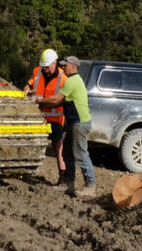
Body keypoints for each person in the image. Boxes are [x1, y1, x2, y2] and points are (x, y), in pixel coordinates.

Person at [34, 55, 96, 197]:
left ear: (73, 66)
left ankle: (90, 185)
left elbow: (56, 99)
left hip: (79, 123)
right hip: (74, 123)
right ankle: (69, 184)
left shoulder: (72, 81)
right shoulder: (72, 80)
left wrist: (38, 100)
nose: (62, 67)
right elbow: (57, 102)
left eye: (65, 65)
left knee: (81, 154)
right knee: (67, 153)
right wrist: (41, 102)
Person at [23, 48, 67, 185]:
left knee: (58, 148)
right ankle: (24, 171)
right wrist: (27, 89)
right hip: (37, 116)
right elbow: (29, 84)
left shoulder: (63, 78)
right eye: (43, 67)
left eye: (47, 67)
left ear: (55, 63)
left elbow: (58, 100)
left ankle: (63, 178)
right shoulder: (37, 71)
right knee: (30, 143)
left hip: (55, 119)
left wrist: (38, 101)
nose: (45, 70)